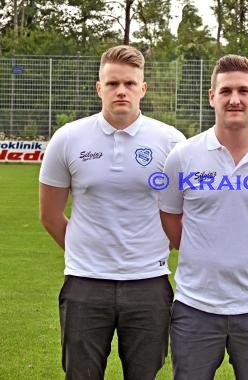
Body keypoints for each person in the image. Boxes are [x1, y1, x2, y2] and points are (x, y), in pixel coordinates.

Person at [39, 45, 186, 380]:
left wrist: (151, 251)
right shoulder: (68, 139)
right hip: (85, 284)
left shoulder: (171, 142)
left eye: (130, 84)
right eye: (113, 83)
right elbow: (49, 215)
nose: (122, 91)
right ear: (99, 87)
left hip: (149, 283)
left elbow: (187, 213)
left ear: (143, 88)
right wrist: (87, 252)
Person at [159, 54, 248, 380]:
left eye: (243, 90)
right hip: (195, 307)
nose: (235, 99)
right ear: (212, 96)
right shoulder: (183, 156)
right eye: (226, 91)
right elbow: (171, 218)